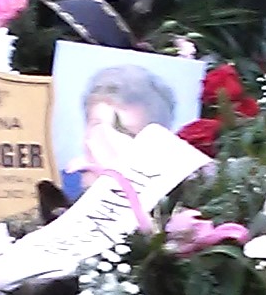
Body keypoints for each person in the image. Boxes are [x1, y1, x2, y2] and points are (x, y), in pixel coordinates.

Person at [63, 63, 181, 199]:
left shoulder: (166, 199)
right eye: (97, 126)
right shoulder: (57, 183)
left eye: (126, 133)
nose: (106, 140)